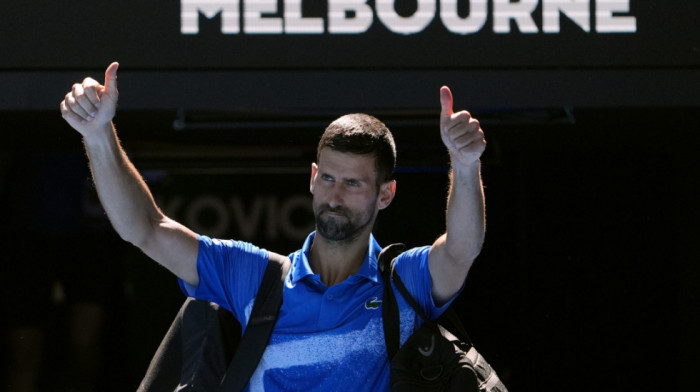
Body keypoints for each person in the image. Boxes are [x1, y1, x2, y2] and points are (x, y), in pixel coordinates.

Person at [59, 62, 486, 391]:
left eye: (354, 184)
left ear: (386, 194)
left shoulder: (402, 284)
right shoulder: (254, 277)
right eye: (329, 179)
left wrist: (465, 167)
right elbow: (146, 229)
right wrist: (98, 135)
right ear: (313, 177)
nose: (335, 197)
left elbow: (460, 250)